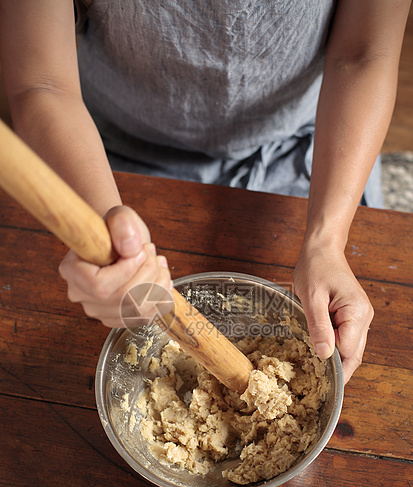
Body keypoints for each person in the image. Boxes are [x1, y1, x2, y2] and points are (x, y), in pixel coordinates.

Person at [0, 0, 410, 385]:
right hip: (108, 154)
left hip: (315, 142)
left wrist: (327, 242)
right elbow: (42, 83)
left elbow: (362, 55)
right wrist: (109, 241)